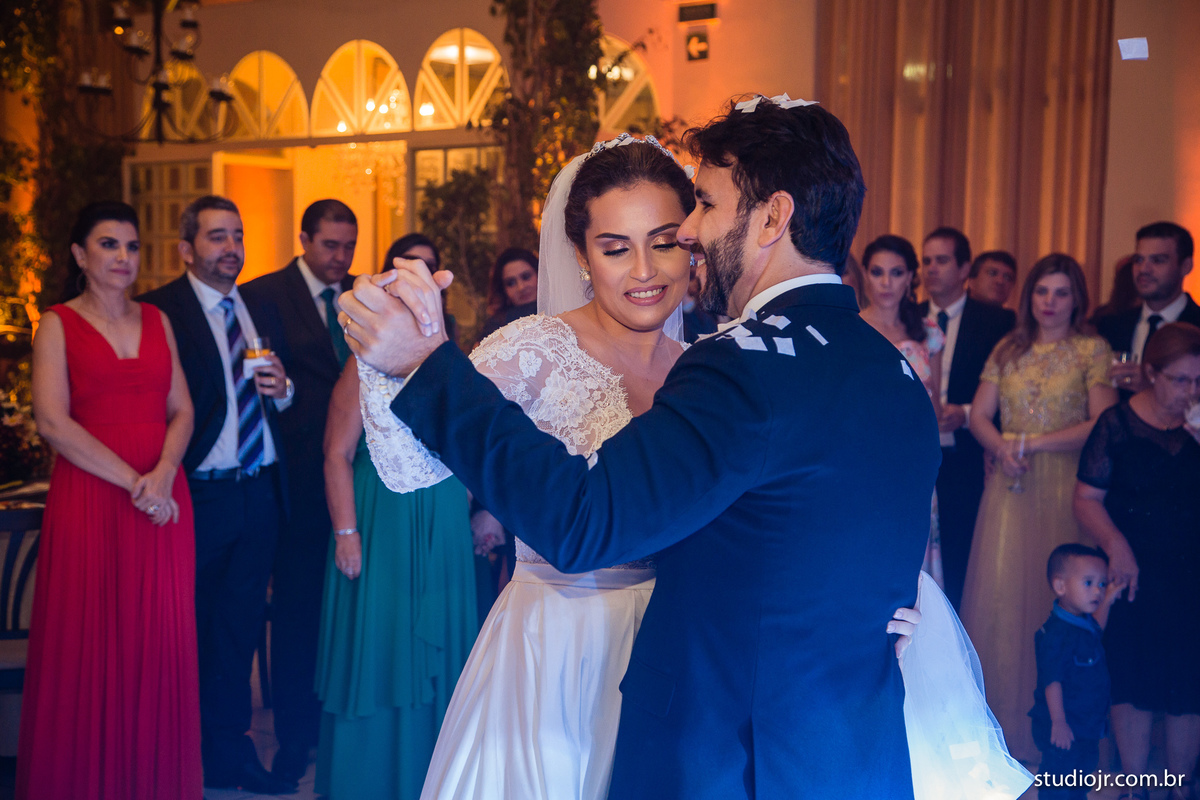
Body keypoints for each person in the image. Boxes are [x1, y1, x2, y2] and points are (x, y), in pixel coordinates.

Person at [342, 102, 944, 798]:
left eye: (703, 208)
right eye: (616, 246)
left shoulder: (731, 365)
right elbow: (818, 517)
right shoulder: (890, 368)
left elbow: (583, 518)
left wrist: (425, 363)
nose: (688, 235)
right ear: (581, 255)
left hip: (724, 731)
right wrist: (875, 610)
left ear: (772, 218)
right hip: (765, 725)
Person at [20, 202, 201, 798]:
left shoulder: (157, 319)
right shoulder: (56, 324)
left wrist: (164, 471)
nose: (123, 257)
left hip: (162, 501)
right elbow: (52, 422)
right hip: (93, 499)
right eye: (108, 245)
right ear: (79, 255)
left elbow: (182, 409)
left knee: (158, 641)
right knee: (89, 641)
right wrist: (136, 482)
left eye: (131, 246)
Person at [141, 195, 297, 794]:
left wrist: (283, 391)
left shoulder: (260, 305)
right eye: (216, 237)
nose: (231, 248)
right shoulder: (161, 311)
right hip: (197, 495)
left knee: (237, 631)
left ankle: (231, 756)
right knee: (183, 632)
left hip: (259, 493)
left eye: (237, 235)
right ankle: (176, 755)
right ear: (186, 249)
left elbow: (284, 396)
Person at [314, 249, 476, 798]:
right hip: (382, 520)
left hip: (443, 522)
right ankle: (373, 781)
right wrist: (347, 533)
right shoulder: (361, 363)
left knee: (443, 651)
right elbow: (336, 452)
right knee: (382, 646)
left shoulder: (455, 359)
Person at [961, 253, 1118, 762]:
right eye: (1042, 291)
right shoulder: (1009, 347)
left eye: (1061, 292)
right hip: (1010, 486)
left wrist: (1031, 443)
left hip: (1066, 484)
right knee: (1003, 596)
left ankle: (1059, 738)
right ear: (1029, 296)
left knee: (1058, 596)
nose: (1049, 302)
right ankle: (1002, 729)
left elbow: (1104, 422)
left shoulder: (1091, 349)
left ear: (1077, 299)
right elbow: (979, 415)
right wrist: (1001, 446)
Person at [240, 198, 358, 783]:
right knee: (297, 612)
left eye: (349, 246)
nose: (341, 258)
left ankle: (343, 732)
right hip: (296, 480)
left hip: (360, 478)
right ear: (304, 240)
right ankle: (294, 738)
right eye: (330, 245)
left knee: (350, 612)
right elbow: (250, 389)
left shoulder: (364, 295)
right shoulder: (261, 295)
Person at [1073, 321, 1200, 800]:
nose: (1190, 391)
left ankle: (1180, 788)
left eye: (1199, 381)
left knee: (1189, 679)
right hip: (1132, 569)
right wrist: (1115, 545)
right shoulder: (1117, 424)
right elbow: (1085, 498)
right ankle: (1136, 786)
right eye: (1180, 380)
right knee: (1132, 675)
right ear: (1151, 373)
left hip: (1191, 570)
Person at [920, 226, 1017, 608]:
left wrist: (963, 413)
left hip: (968, 455)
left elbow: (1012, 391)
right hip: (917, 455)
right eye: (926, 261)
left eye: (941, 261)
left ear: (964, 269)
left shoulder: (998, 322)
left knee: (961, 558)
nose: (931, 269)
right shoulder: (909, 317)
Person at [859, 234, 944, 585]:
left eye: (896, 273)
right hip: (863, 457)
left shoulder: (928, 332)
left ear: (910, 277)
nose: (886, 283)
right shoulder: (851, 326)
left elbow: (935, 409)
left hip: (914, 458)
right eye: (877, 272)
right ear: (865, 274)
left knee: (913, 559)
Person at [1030, 544, 1123, 800]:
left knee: (1082, 773)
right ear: (1061, 586)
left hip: (1086, 724)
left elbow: (1095, 630)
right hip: (1064, 724)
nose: (1098, 591)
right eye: (1089, 583)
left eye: (1102, 584)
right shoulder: (1056, 634)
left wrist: (1109, 599)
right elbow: (1052, 681)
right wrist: (1059, 722)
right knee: (1058, 777)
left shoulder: (1082, 623)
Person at [1097, 222, 1200, 396]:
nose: (1144, 269)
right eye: (1138, 260)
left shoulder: (1196, 325)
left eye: (1158, 260)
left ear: (1185, 266)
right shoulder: (1111, 325)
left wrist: (1152, 387)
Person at [477, 247, 539, 342]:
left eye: (526, 277)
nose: (521, 287)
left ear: (539, 274)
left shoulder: (559, 309)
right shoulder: (495, 326)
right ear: (503, 290)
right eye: (511, 283)